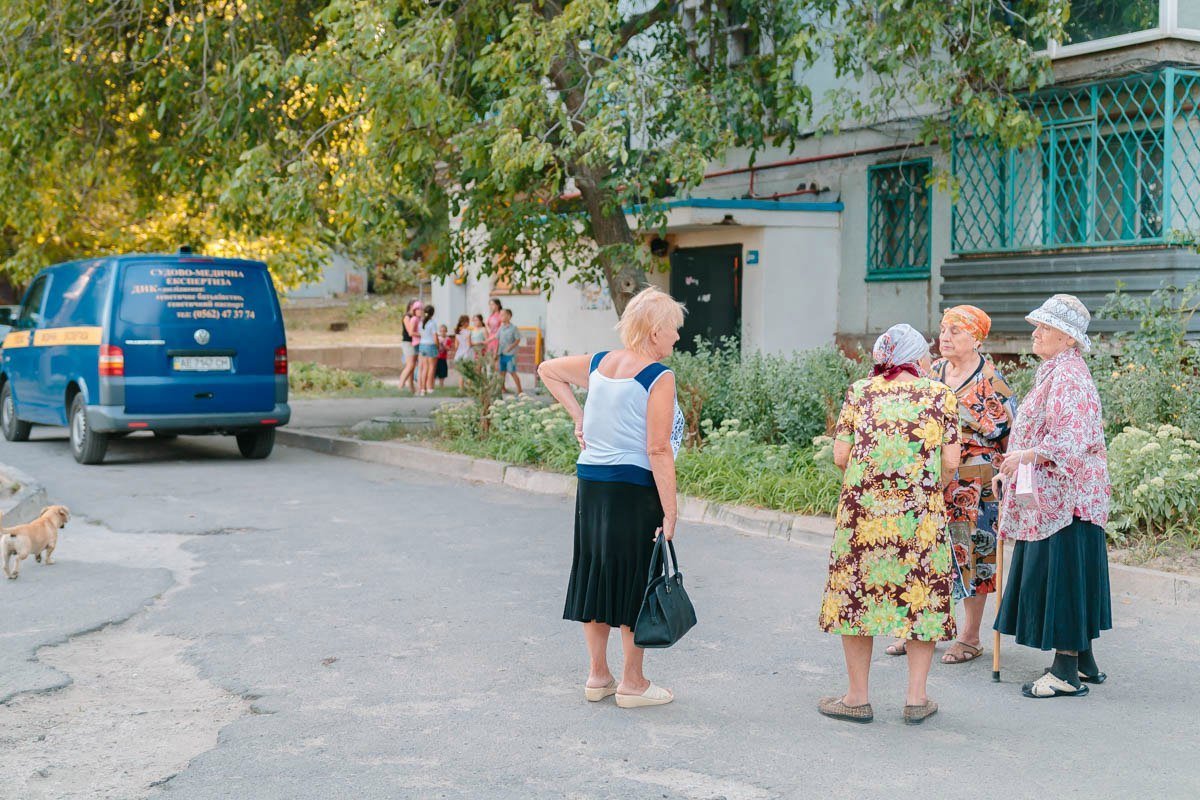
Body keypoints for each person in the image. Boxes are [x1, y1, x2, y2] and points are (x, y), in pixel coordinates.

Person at [537, 286, 686, 709]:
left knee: (596, 572)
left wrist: (579, 415)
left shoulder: (601, 363)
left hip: (592, 482)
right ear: (655, 332)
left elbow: (548, 369)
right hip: (632, 487)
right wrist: (671, 511)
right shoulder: (658, 377)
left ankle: (598, 676)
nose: (677, 336)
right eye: (673, 329)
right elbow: (658, 449)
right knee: (634, 577)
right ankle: (633, 683)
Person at [819, 323, 961, 725]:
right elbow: (951, 461)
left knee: (857, 594)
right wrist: (927, 485)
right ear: (916, 358)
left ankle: (856, 697)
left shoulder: (860, 391)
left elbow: (841, 455)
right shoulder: (940, 395)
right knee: (921, 594)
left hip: (863, 514)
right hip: (920, 515)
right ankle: (916, 698)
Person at [993, 294, 1112, 699]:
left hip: (1069, 499)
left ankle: (1065, 673)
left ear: (1067, 338)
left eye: (1045, 327)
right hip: (1064, 497)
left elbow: (1069, 440)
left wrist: (1021, 457)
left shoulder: (1068, 376)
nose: (1036, 332)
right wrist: (1014, 465)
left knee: (1064, 578)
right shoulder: (1058, 370)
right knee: (1073, 576)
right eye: (1038, 325)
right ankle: (1083, 660)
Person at [885, 305, 1015, 665]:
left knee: (973, 554)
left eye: (955, 331)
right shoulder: (933, 371)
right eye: (943, 329)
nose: (945, 336)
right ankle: (919, 627)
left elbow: (1011, 435)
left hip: (976, 479)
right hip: (935, 474)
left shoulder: (992, 380)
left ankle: (970, 637)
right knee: (926, 550)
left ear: (977, 339)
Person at [398, 299, 422, 394]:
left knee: (412, 367)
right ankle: (400, 385)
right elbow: (410, 332)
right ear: (411, 306)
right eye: (417, 307)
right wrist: (423, 334)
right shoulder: (407, 317)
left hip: (414, 343)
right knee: (410, 365)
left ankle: (412, 388)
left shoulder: (415, 317)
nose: (419, 309)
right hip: (408, 343)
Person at [496, 309, 523, 394]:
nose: (501, 317)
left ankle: (520, 390)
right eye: (500, 315)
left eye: (503, 315)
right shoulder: (501, 328)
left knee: (512, 372)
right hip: (502, 353)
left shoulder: (513, 328)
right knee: (502, 372)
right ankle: (503, 388)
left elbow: (518, 340)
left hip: (510, 354)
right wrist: (496, 353)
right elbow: (497, 340)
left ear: (509, 316)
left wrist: (511, 347)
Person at [416, 305, 438, 396]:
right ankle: (429, 387)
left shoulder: (421, 322)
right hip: (430, 345)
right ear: (433, 313)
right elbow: (435, 337)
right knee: (431, 367)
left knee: (424, 368)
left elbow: (420, 334)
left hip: (422, 345)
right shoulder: (432, 323)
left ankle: (422, 389)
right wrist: (438, 346)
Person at [434, 324, 450, 389]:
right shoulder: (437, 338)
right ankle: (432, 384)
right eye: (441, 331)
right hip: (436, 357)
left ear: (446, 331)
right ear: (439, 332)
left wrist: (443, 344)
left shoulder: (448, 339)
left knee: (442, 372)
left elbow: (448, 348)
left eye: (444, 331)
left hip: (443, 358)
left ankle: (441, 384)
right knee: (435, 371)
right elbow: (435, 347)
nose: (443, 332)